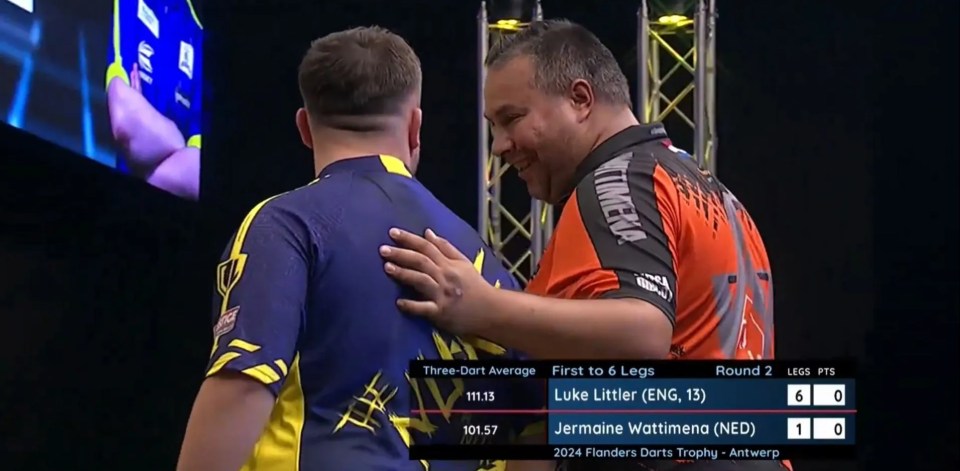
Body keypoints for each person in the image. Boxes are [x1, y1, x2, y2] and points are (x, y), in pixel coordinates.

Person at [377, 20, 789, 471]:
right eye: (493, 126)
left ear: (580, 99)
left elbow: (643, 332)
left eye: (512, 119)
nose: (498, 146)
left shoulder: (617, 182)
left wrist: (481, 306)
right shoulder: (708, 190)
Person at [176, 27, 546, 471]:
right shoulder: (476, 258)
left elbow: (243, 385)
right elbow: (535, 420)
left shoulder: (286, 224)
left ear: (304, 128)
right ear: (415, 126)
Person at [106, 0, 203, 200]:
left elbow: (197, 174)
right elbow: (126, 123)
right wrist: (180, 143)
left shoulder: (198, 34)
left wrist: (153, 129)